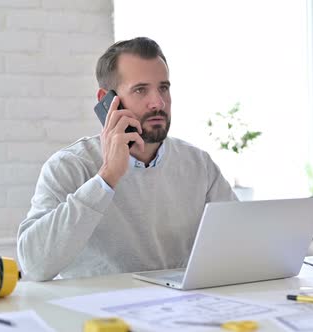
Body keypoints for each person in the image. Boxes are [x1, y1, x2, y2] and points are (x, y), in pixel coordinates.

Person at [17, 37, 237, 281]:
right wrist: (107, 177)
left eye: (163, 87)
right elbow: (34, 264)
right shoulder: (69, 166)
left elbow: (244, 240)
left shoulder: (198, 164)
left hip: (176, 310)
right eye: (141, 90)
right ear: (108, 100)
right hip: (98, 314)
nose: (158, 102)